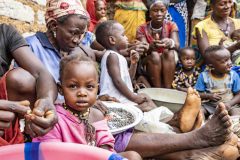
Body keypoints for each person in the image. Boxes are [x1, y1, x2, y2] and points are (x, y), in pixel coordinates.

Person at [95, 20, 239, 159]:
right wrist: (133, 97)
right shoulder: (112, 56)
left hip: (121, 103)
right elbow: (118, 82)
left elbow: (126, 80)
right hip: (118, 105)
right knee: (146, 120)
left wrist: (133, 65)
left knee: (148, 103)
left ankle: (176, 120)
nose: (127, 37)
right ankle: (190, 136)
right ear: (112, 40)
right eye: (123, 35)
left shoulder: (118, 56)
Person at [33, 54, 142, 160]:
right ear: (60, 89)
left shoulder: (97, 115)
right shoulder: (54, 119)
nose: (82, 93)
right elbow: (50, 153)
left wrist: (106, 154)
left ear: (97, 89)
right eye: (73, 86)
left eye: (89, 87)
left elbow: (105, 144)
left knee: (133, 156)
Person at [0, 23, 58, 146]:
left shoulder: (5, 32)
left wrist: (46, 100)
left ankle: (23, 137)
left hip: (4, 120)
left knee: (21, 79)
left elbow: (41, 73)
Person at [136, 0, 180, 88]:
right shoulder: (141, 28)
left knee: (169, 52)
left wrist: (170, 42)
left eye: (162, 10)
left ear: (166, 12)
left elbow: (177, 45)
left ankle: (167, 89)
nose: (159, 13)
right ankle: (158, 89)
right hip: (149, 59)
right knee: (155, 55)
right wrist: (150, 47)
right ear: (149, 13)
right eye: (155, 11)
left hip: (168, 58)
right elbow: (143, 47)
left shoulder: (171, 25)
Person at [195, 45, 240, 118]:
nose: (229, 63)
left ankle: (231, 126)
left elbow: (239, 94)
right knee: (199, 111)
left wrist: (229, 104)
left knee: (236, 113)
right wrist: (208, 96)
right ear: (211, 66)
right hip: (210, 106)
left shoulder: (233, 75)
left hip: (229, 105)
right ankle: (203, 126)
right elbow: (196, 94)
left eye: (229, 59)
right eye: (224, 61)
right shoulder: (204, 76)